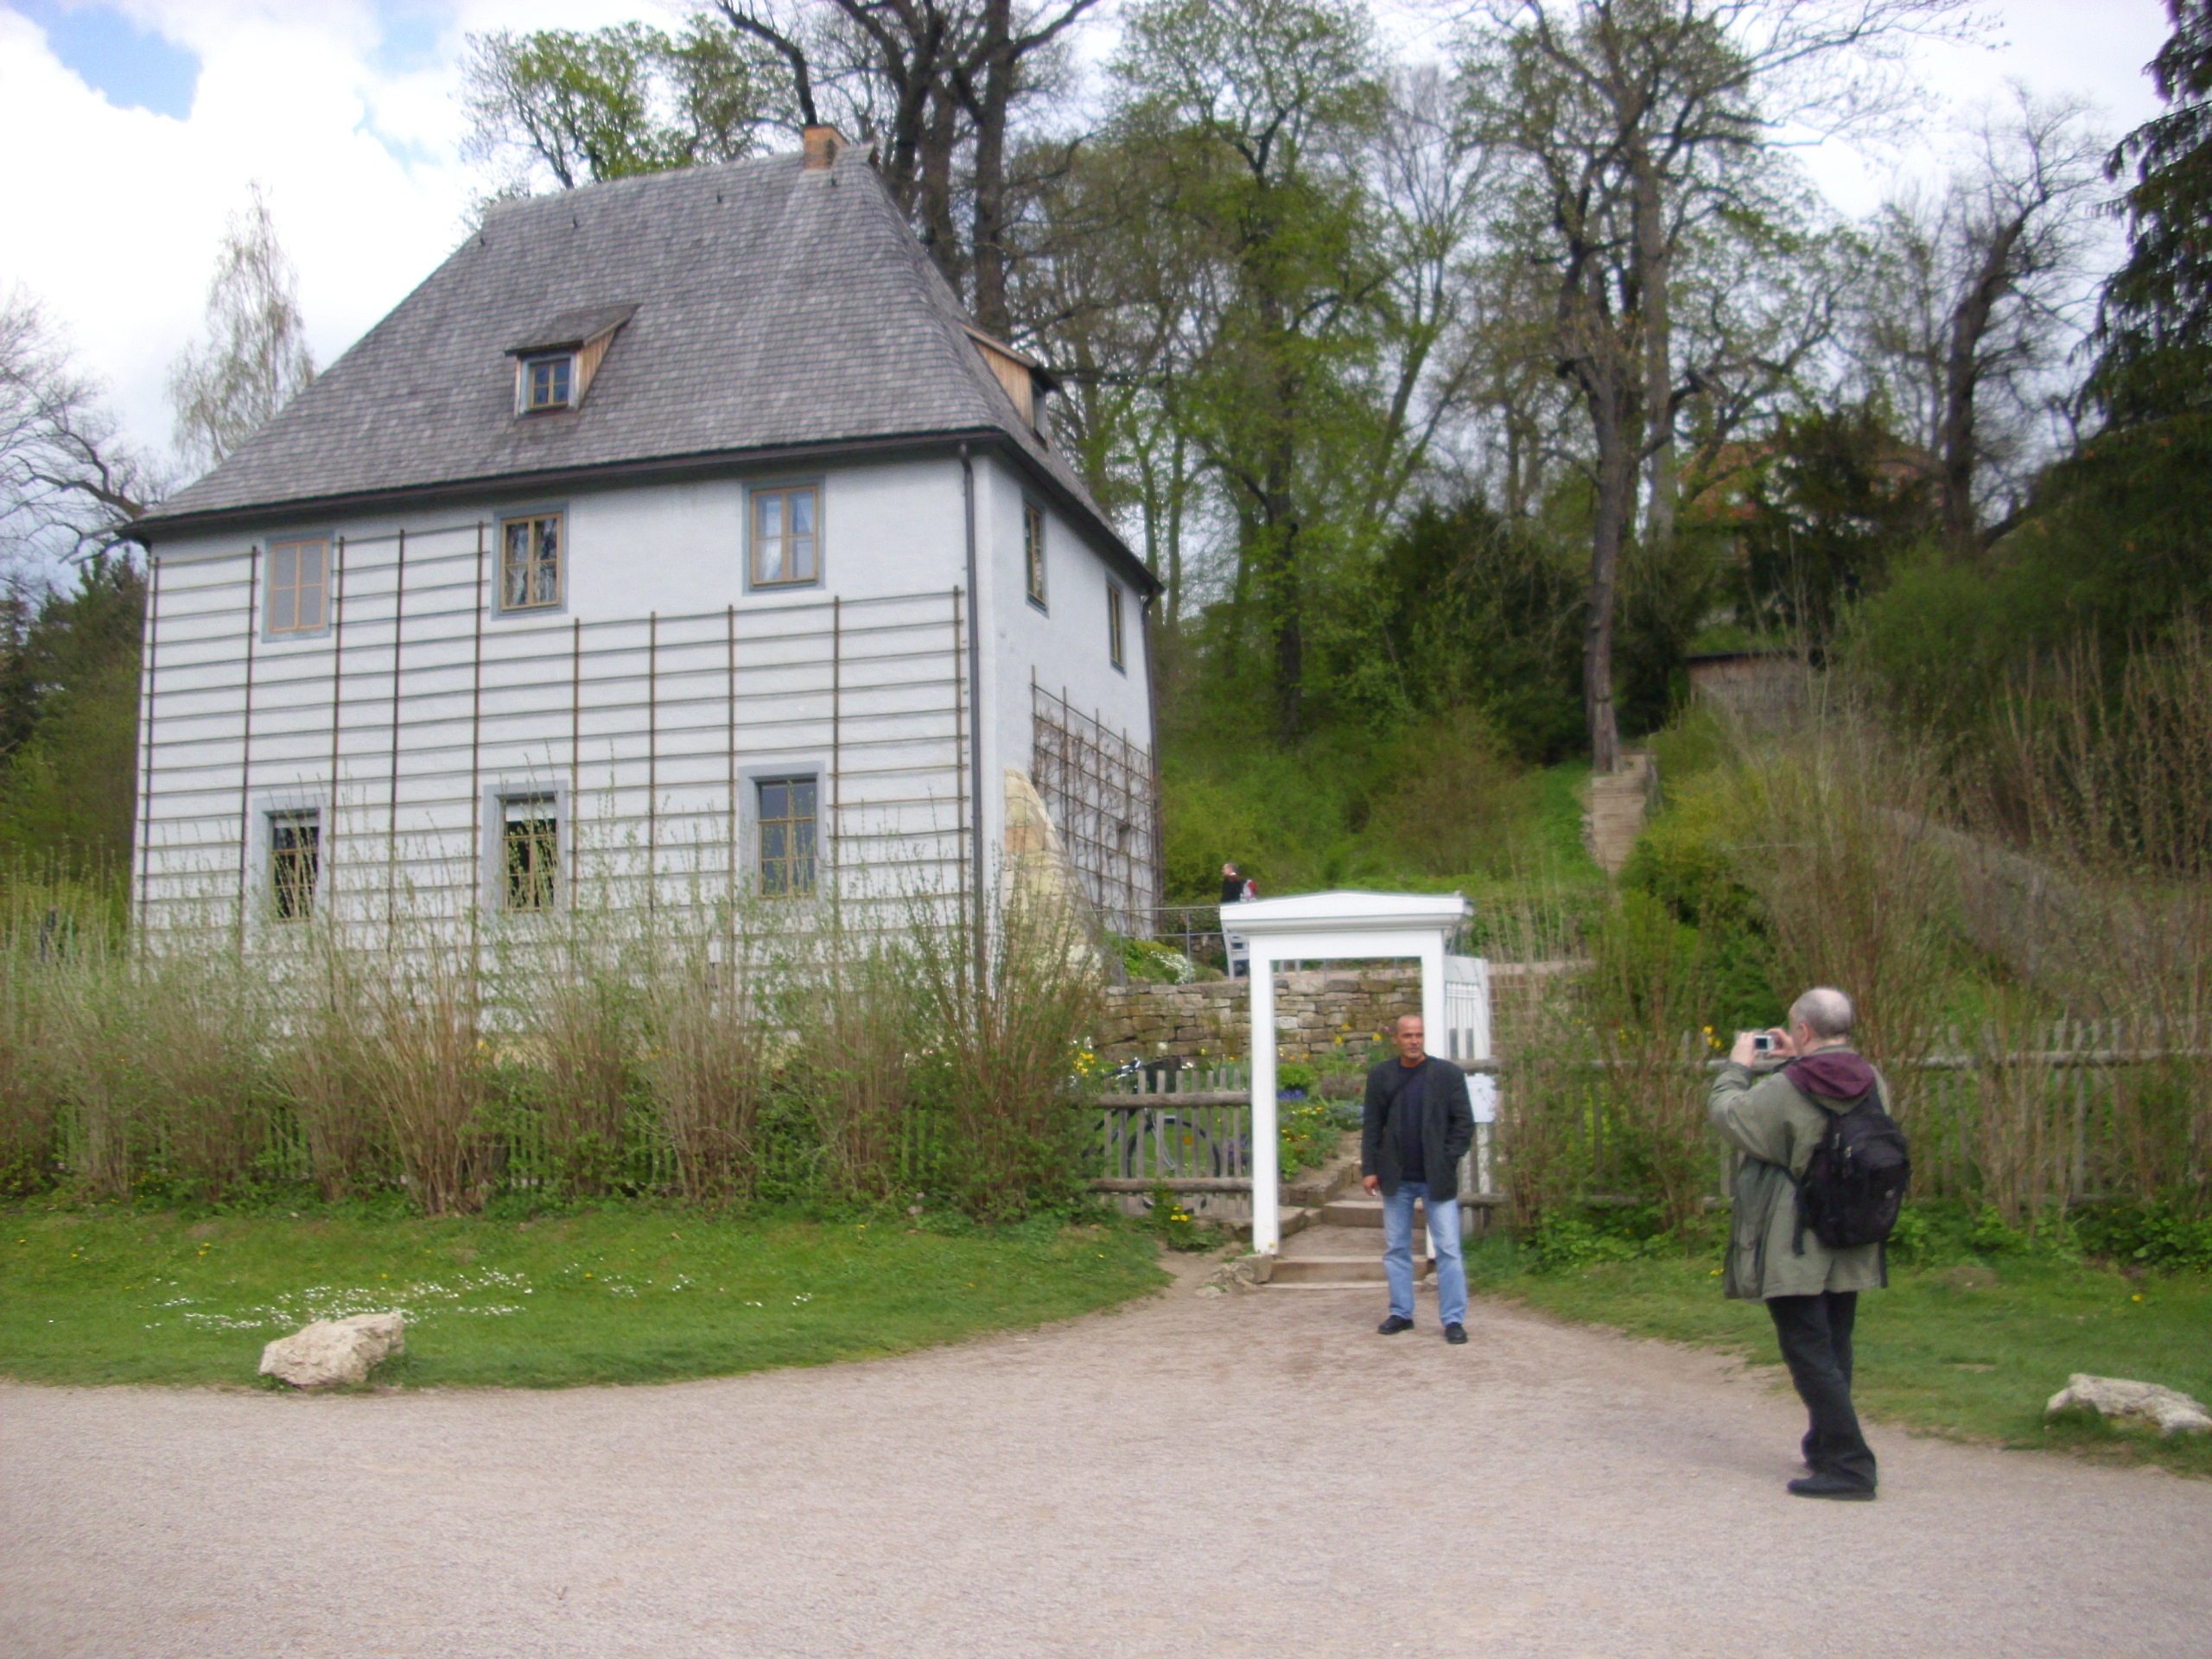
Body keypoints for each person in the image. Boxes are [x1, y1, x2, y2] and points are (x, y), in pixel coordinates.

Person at [1709, 986, 1889, 1501]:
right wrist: (1797, 1063)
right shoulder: (1874, 1079)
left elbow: (1732, 1115)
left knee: (1807, 1348)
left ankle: (1852, 1466)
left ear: (1803, 1031)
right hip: (1853, 1228)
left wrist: (1739, 1066)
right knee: (1834, 1342)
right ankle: (1826, 1447)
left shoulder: (1791, 1085)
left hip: (1796, 1234)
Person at [1361, 1014, 1474, 1344]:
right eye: (1407, 1035)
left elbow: (1463, 1123)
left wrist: (1448, 1156)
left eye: (1419, 1035)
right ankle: (1401, 1313)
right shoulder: (1381, 1076)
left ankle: (1453, 1319)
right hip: (1397, 1176)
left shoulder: (1447, 1075)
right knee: (1396, 1248)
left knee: (1449, 1249)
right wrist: (1370, 1168)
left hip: (1436, 1177)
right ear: (1395, 1038)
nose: (1414, 1040)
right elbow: (1372, 1126)